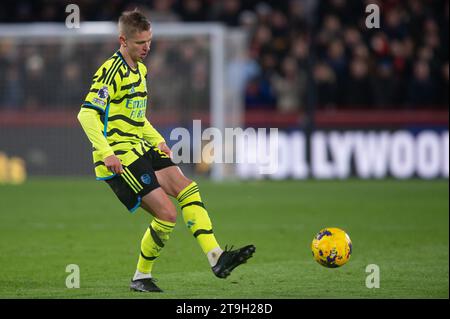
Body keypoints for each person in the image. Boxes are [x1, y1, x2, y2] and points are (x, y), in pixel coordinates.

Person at [77, 9, 255, 293]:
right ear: (123, 40)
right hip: (121, 156)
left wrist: (157, 139)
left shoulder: (141, 70)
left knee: (188, 187)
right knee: (167, 215)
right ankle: (141, 276)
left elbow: (136, 117)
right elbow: (86, 115)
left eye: (149, 41)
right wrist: (106, 152)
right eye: (140, 43)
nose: (146, 47)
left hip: (142, 146)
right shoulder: (111, 72)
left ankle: (216, 257)